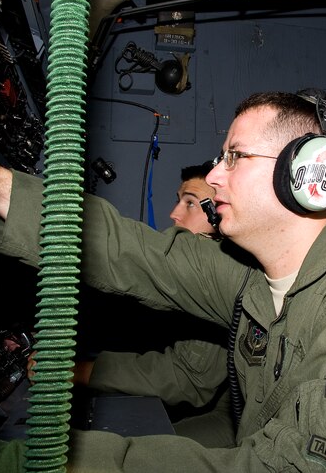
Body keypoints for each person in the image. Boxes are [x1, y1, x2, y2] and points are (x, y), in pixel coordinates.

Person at [0, 91, 326, 471]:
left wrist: (73, 462)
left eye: (234, 157)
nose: (214, 176)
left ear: (303, 176)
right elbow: (130, 250)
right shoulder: (253, 276)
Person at [72, 161, 234, 448]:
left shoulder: (223, 277)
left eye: (191, 203)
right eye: (178, 200)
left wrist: (82, 371)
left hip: (231, 422)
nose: (174, 213)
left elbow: (186, 377)